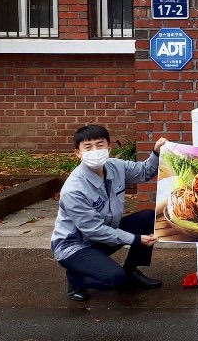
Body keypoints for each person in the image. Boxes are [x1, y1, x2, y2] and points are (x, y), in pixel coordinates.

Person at [51, 125, 168, 302]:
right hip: (75, 246)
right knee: (115, 279)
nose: (95, 151)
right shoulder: (74, 190)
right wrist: (135, 239)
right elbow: (94, 230)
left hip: (103, 235)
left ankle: (131, 271)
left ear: (109, 148)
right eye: (88, 147)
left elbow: (144, 171)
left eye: (100, 145)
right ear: (78, 153)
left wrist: (157, 153)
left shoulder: (115, 166)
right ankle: (75, 277)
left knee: (148, 218)